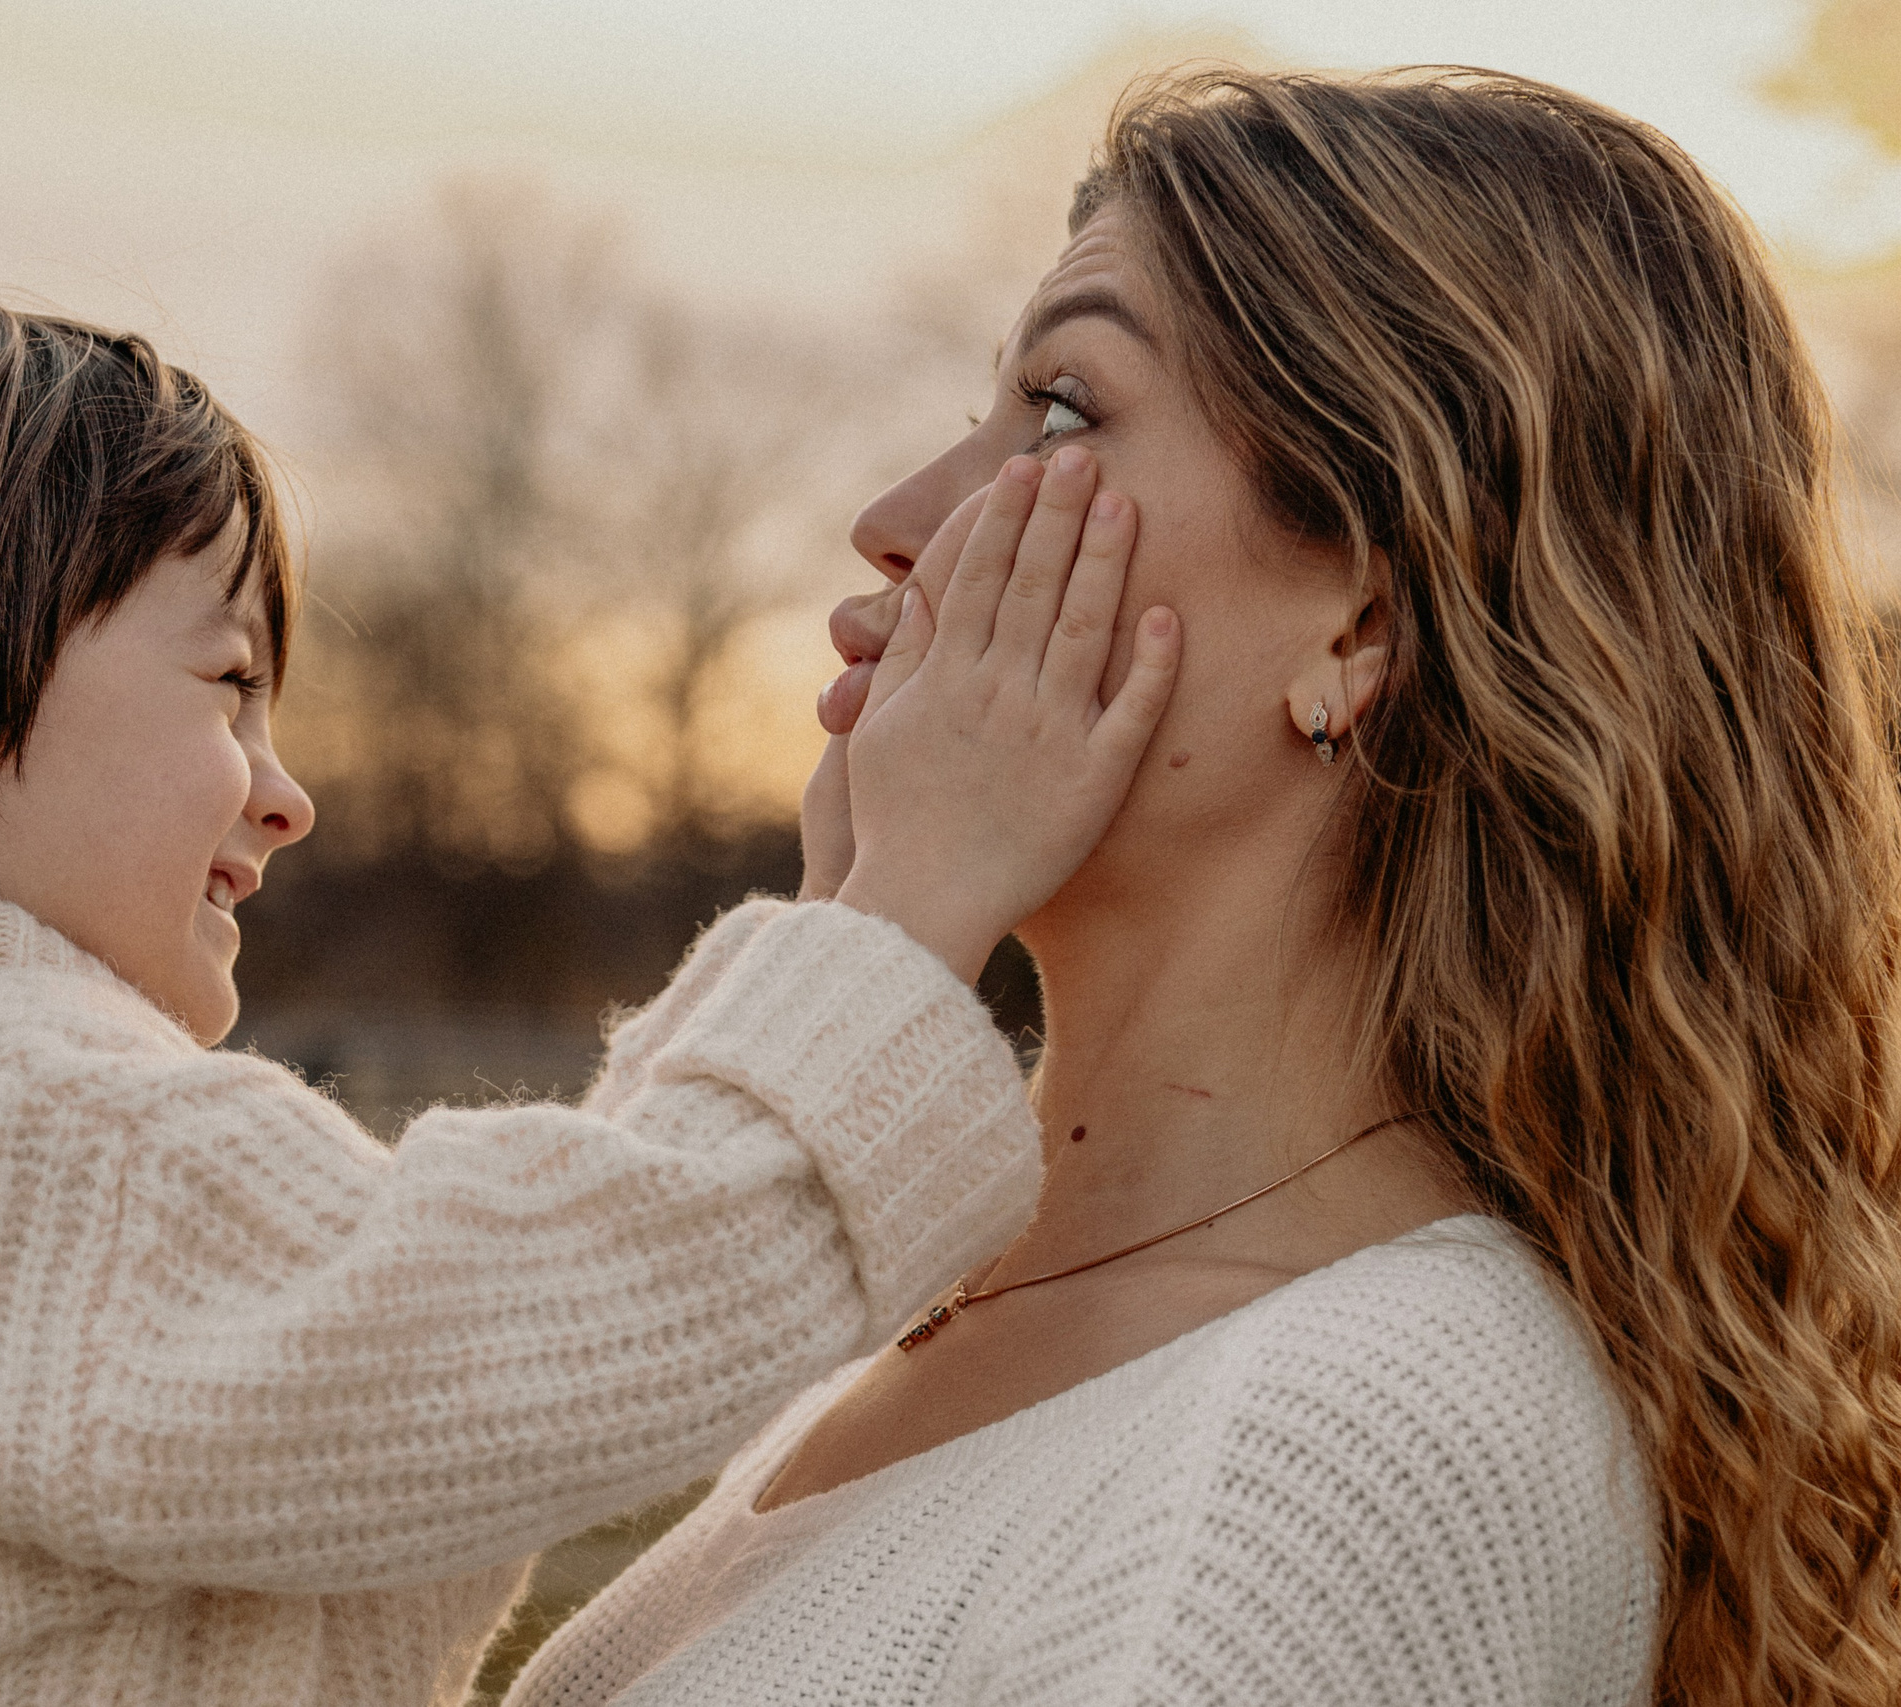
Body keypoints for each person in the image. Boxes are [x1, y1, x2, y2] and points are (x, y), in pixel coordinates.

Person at [0, 291, 1180, 1706]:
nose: (284, 797)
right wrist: (907, 915)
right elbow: (538, 1333)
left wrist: (828, 932)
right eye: (229, 685)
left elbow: (431, 1369)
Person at [508, 67, 1901, 1707]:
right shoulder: (963, 1325)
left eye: (1065, 412)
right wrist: (839, 961)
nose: (895, 525)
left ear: (1365, 622)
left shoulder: (1342, 1452)